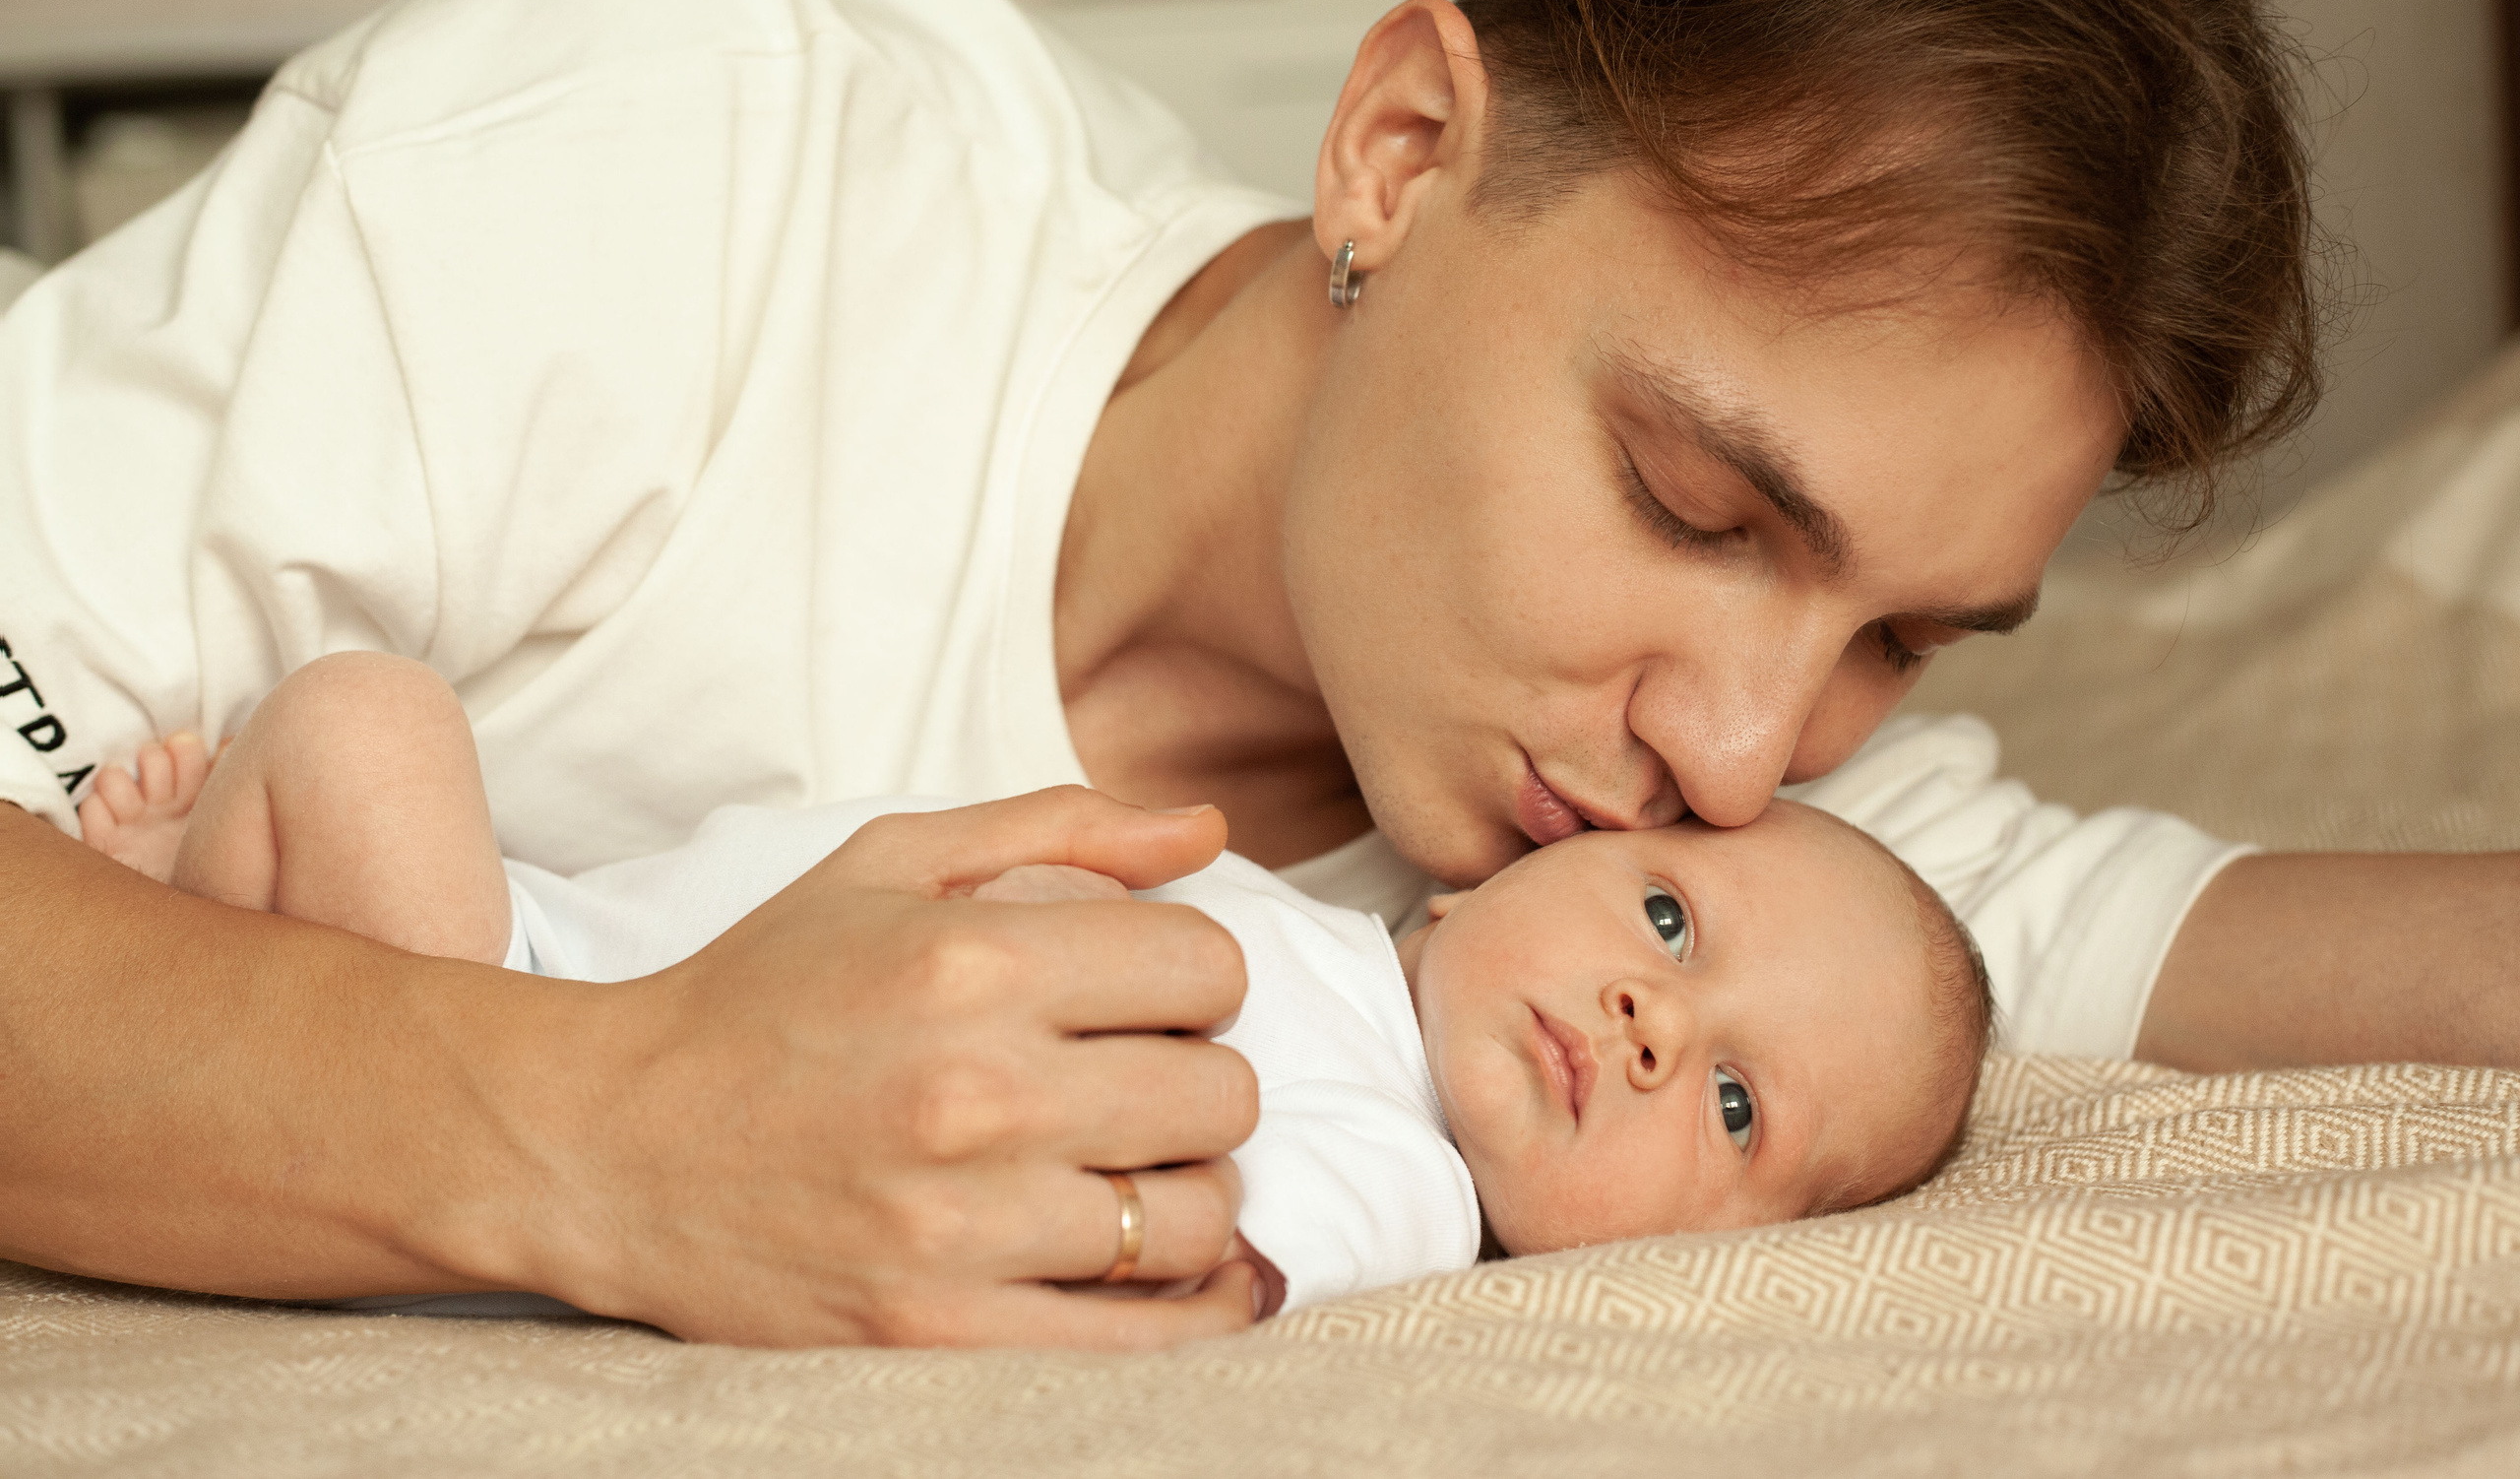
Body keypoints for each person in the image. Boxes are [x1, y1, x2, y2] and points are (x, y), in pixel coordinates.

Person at [4, 0, 2513, 1349]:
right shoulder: (712, 159)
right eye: (1693, 502)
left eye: (1890, 635)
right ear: (1401, 155)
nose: (1739, 750)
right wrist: (606, 1128)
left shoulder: (1731, 909)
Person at [79, 651, 1992, 1312]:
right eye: (1665, 920)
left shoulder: (1403, 1168)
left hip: (564, 1023)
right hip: (569, 942)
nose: (1659, 1024)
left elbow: (1243, 1242)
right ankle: (209, 903)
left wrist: (1208, 1270)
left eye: (1733, 1106)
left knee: (366, 725)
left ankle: (211, 904)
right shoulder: (1294, 917)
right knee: (363, 725)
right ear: (1536, 853)